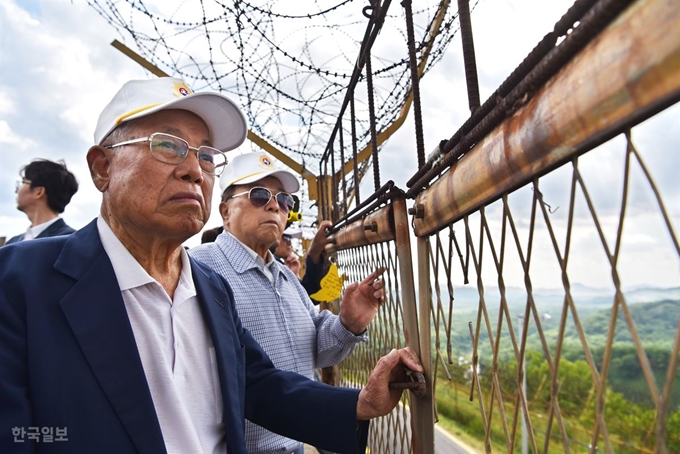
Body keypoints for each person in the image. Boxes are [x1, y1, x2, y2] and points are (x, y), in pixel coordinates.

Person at [0, 77, 423, 454]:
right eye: (168, 145)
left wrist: (359, 403)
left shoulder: (207, 287)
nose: (193, 171)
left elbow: (254, 383)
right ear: (103, 167)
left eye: (205, 156)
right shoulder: (20, 282)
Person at [189, 152, 384, 454]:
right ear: (225, 211)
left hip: (295, 444)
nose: (274, 206)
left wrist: (349, 324)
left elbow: (315, 350)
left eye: (284, 201)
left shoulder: (288, 278)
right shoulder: (199, 269)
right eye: (259, 195)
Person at [6, 159, 78, 244]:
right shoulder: (12, 242)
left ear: (39, 192)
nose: (16, 191)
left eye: (23, 182)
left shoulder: (69, 242)